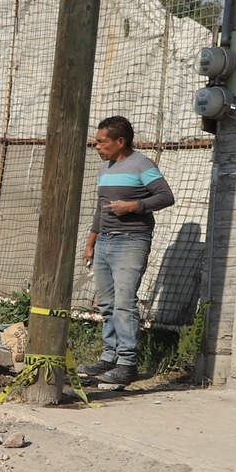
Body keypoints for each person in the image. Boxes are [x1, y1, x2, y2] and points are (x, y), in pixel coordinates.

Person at [81, 114, 174, 388]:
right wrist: (90, 243)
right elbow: (101, 209)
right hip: (104, 242)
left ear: (120, 141)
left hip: (130, 241)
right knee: (107, 304)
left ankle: (127, 363)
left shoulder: (141, 164)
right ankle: (109, 357)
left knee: (124, 303)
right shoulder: (105, 168)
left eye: (101, 142)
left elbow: (165, 196)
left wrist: (133, 206)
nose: (97, 147)